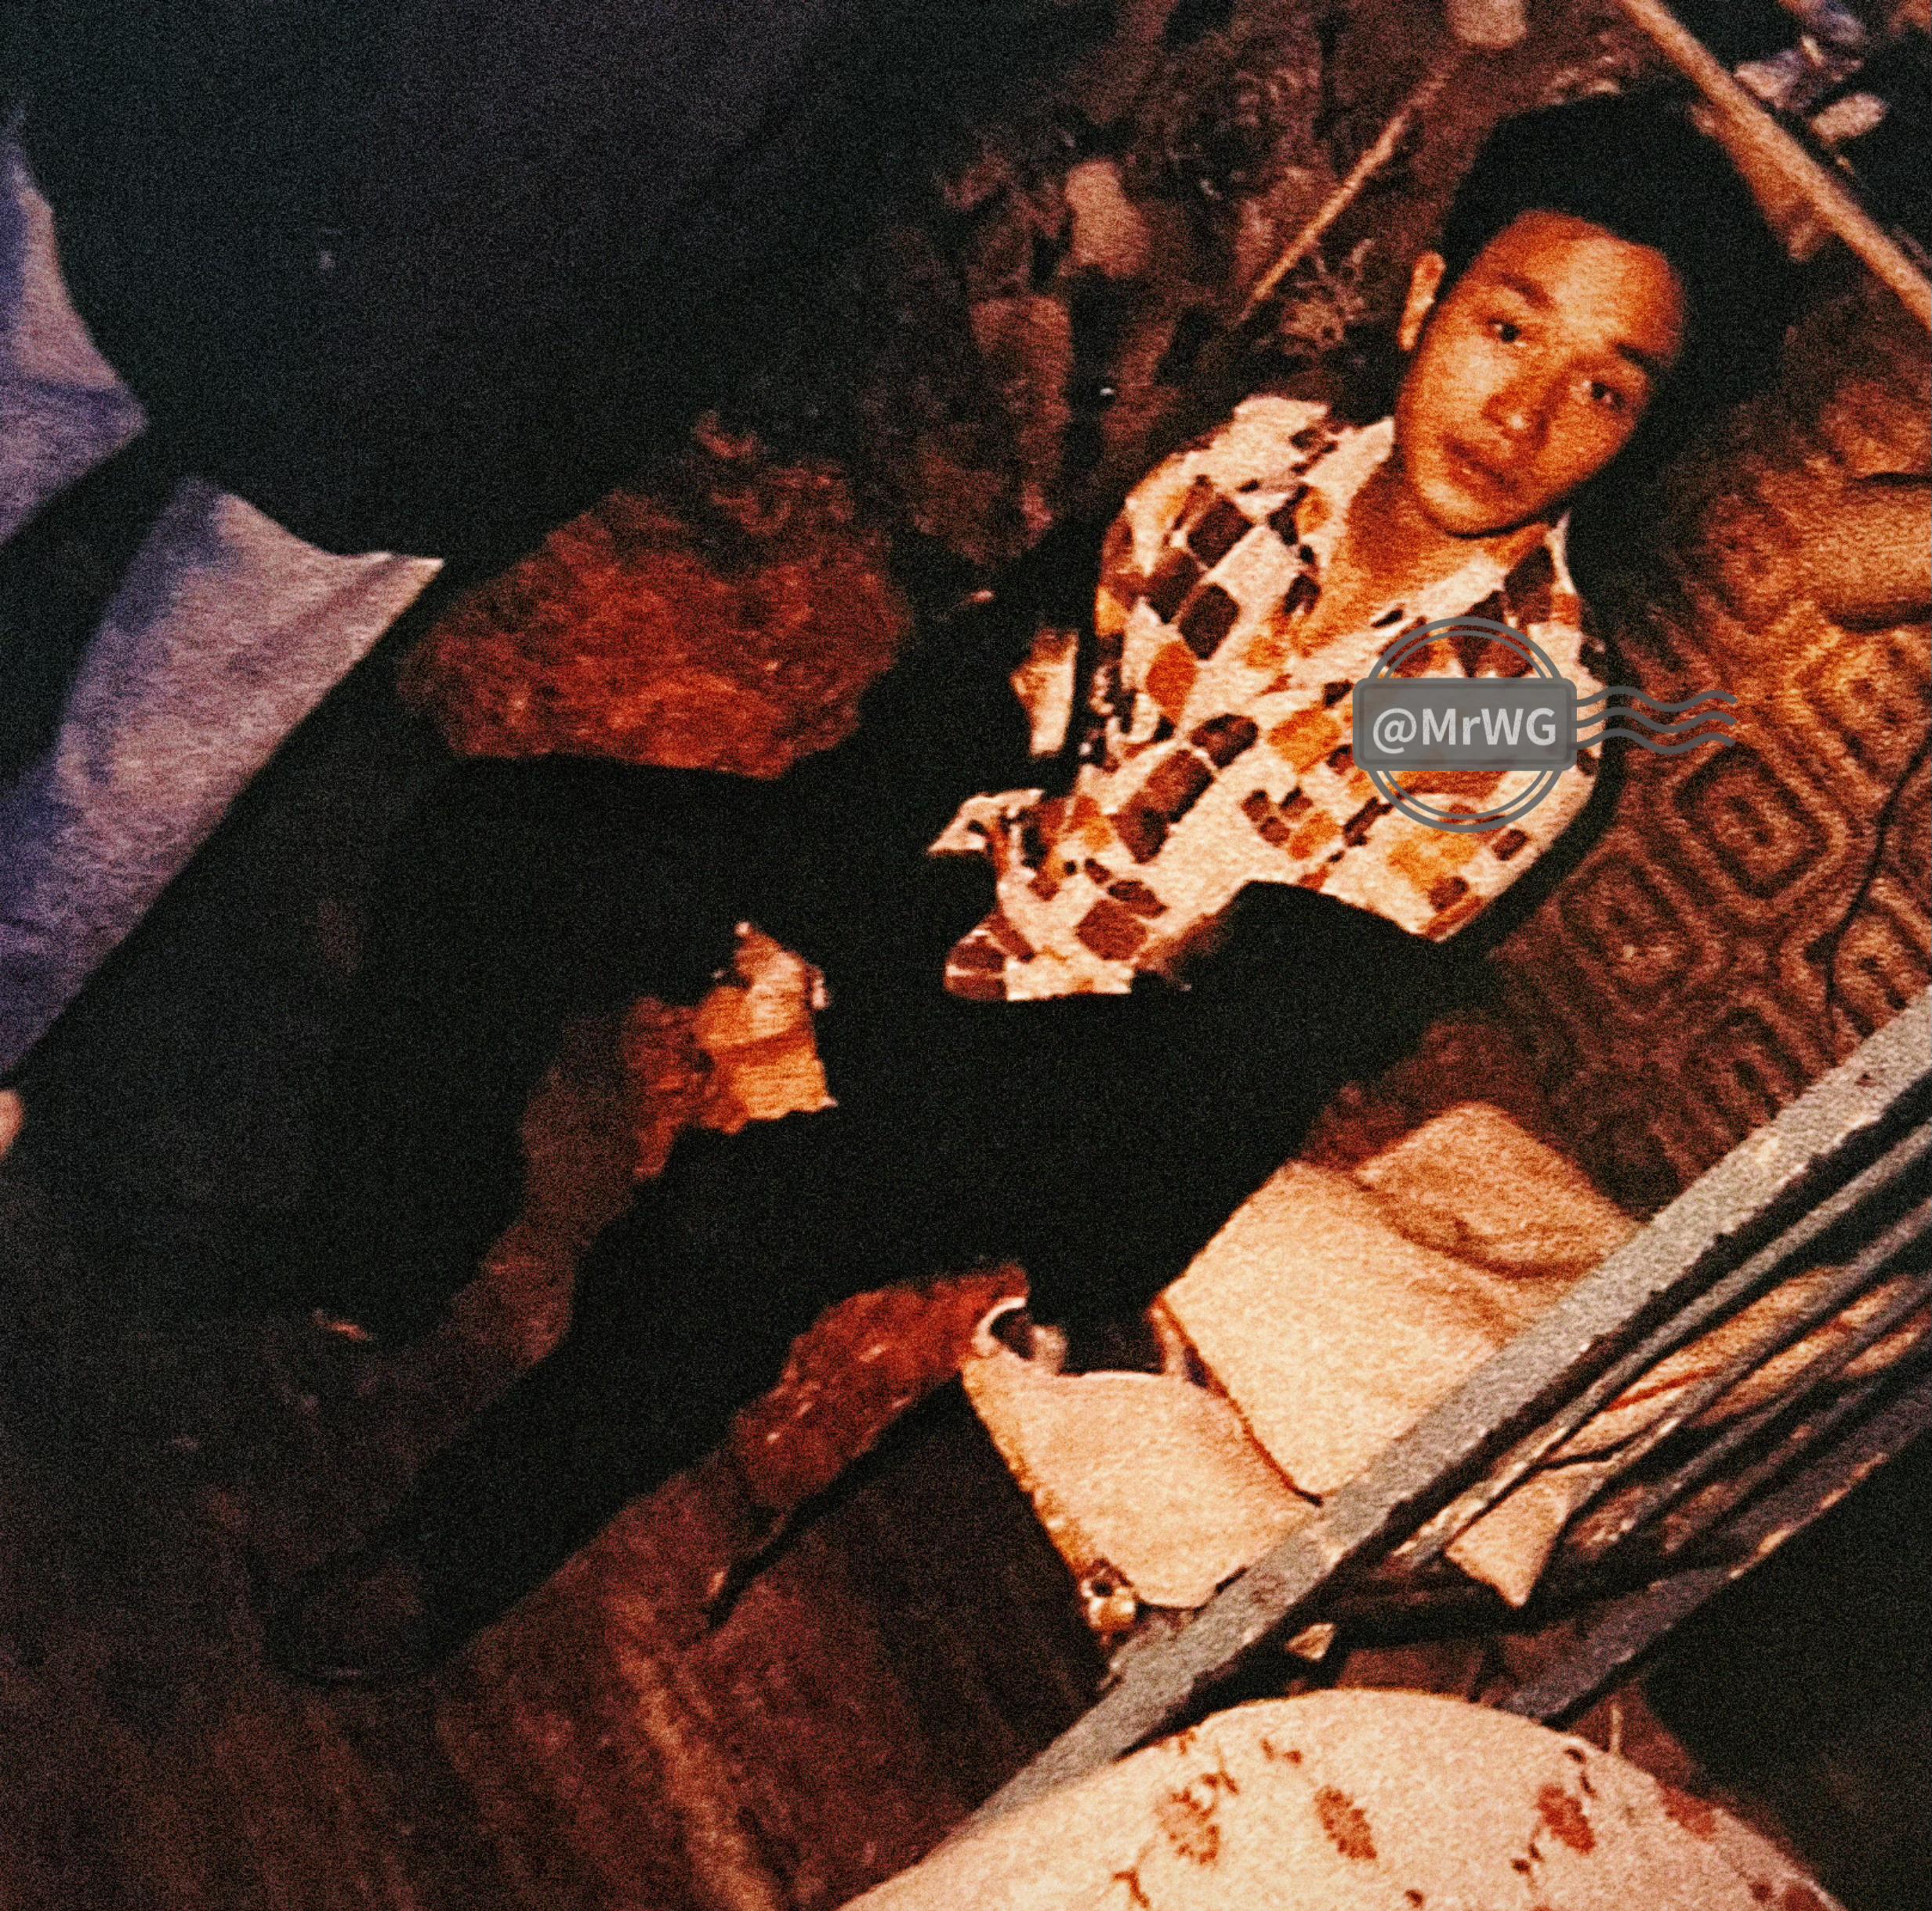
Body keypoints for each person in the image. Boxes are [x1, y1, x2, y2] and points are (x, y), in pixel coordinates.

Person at [270, 91, 1794, 1682]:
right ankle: (378, 1244)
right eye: (1507, 326)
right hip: (946, 889)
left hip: (1082, 1093)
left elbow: (1205, 1070)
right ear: (1427, 300)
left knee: (729, 1223)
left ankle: (458, 1548)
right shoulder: (1251, 460)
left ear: (1638, 430)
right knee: (500, 842)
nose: (1523, 410)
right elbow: (963, 697)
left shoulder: (1511, 719)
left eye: (1602, 387)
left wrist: (827, 1051)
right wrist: (801, 926)